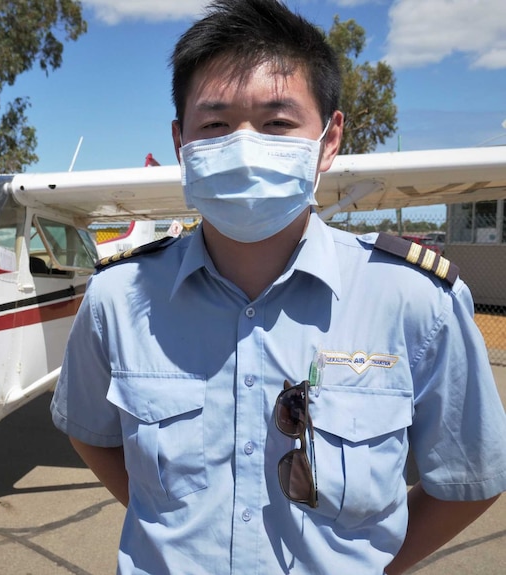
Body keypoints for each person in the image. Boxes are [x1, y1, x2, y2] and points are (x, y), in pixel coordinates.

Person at [49, 1, 506, 573]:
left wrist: (377, 566)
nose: (244, 145)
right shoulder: (116, 299)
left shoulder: (418, 302)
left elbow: (468, 477)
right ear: (180, 142)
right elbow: (92, 433)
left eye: (278, 123)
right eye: (214, 124)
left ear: (329, 138)